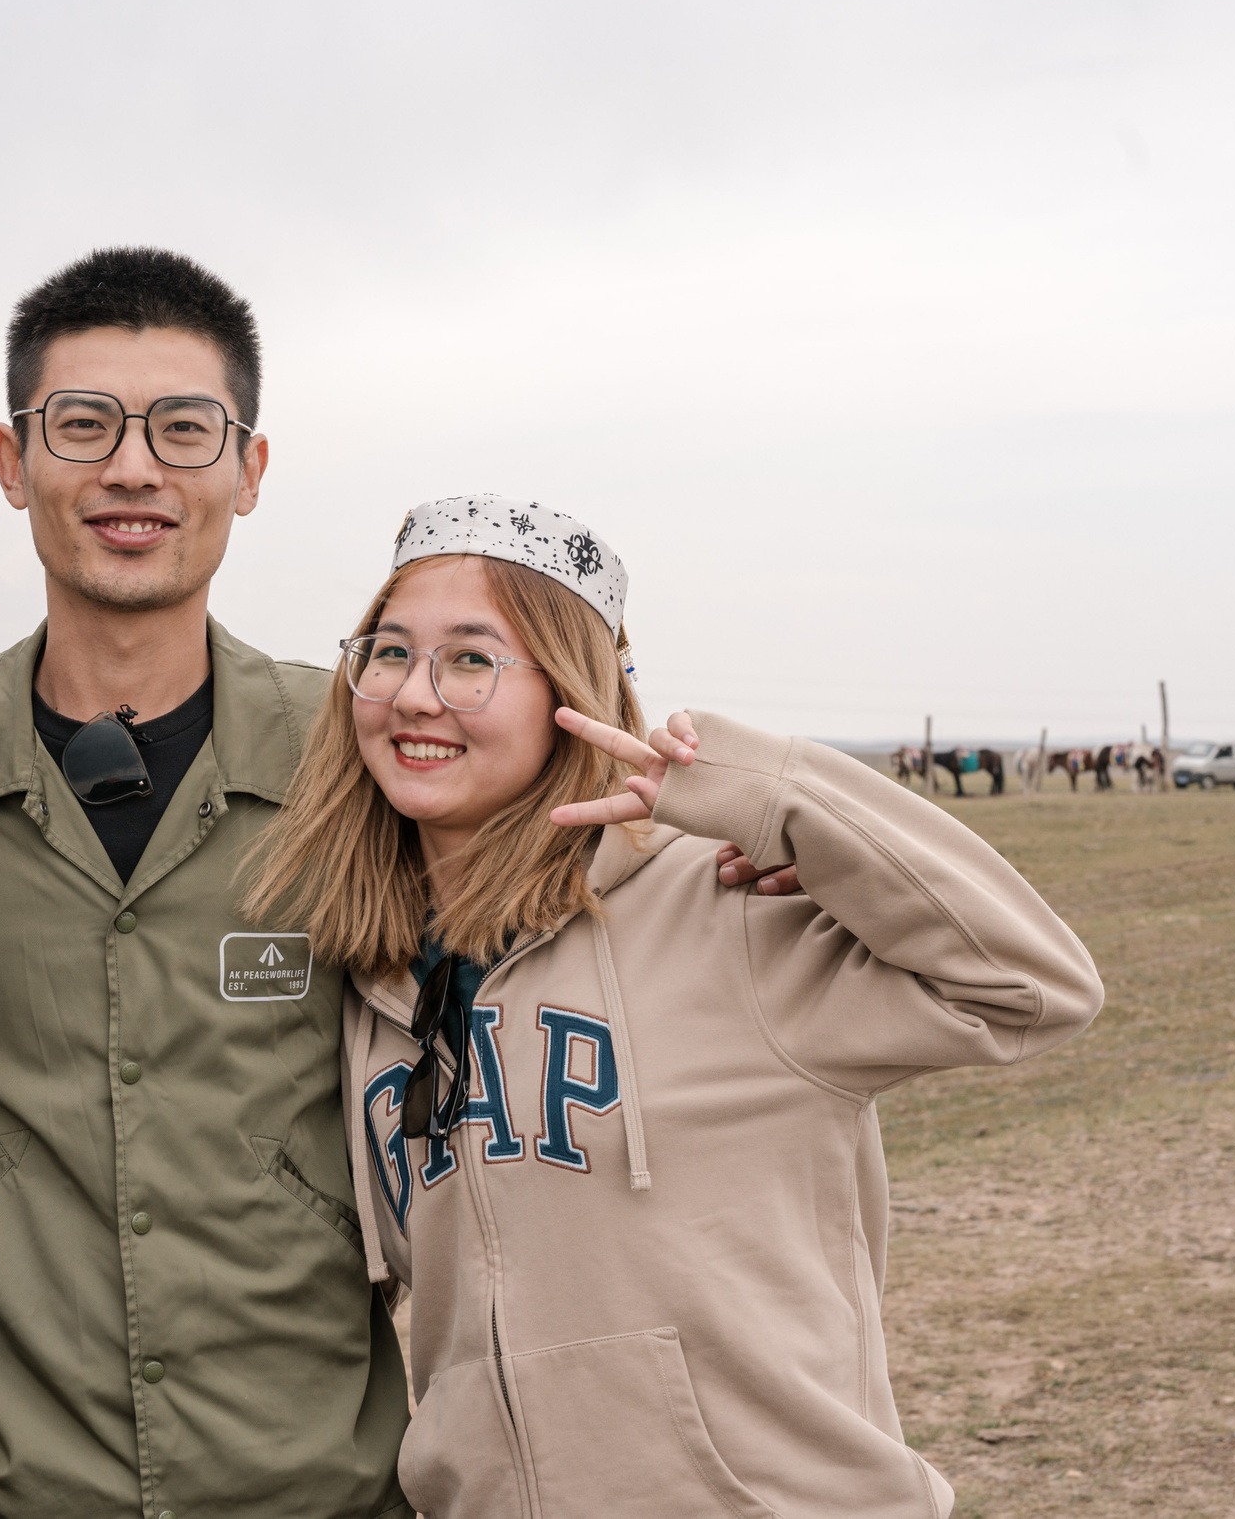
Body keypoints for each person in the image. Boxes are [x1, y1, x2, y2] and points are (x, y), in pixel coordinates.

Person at [0, 251, 794, 1519]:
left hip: (317, 1483)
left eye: (185, 428)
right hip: (1, 1484)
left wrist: (750, 853)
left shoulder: (358, 752)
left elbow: (548, 889)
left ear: (248, 470)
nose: (135, 468)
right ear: (14, 466)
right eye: (82, 424)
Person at [246, 495, 1107, 1519]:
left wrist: (774, 795)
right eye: (386, 653)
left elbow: (1034, 988)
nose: (415, 695)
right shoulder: (374, 982)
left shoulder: (730, 904)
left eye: (472, 659)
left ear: (573, 689)